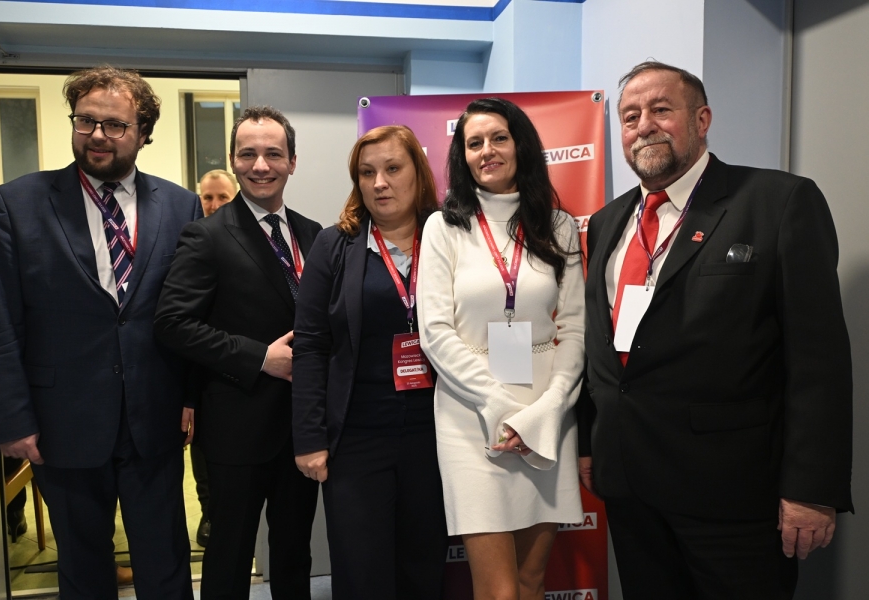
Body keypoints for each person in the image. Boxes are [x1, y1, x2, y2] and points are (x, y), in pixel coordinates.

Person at [577, 60, 853, 599]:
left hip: (733, 497)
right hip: (631, 488)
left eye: (661, 109)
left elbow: (818, 360)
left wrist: (811, 489)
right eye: (630, 117)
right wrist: (591, 440)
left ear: (701, 120)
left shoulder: (777, 202)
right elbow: (600, 350)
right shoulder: (608, 222)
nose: (643, 126)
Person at [0, 65, 201, 600]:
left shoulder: (180, 206)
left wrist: (192, 395)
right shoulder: (16, 203)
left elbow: (190, 314)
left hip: (154, 418)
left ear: (143, 133)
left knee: (165, 561)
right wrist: (12, 421)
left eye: (115, 125)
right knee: (81, 567)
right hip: (62, 423)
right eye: (86, 121)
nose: (98, 134)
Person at [417, 98, 586, 600]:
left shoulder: (559, 226)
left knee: (532, 582)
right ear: (462, 156)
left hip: (546, 414)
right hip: (472, 417)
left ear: (520, 145)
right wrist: (499, 406)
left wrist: (547, 411)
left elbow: (575, 329)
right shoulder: (444, 227)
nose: (487, 151)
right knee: (498, 591)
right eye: (474, 143)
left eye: (498, 138)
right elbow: (435, 331)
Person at [154, 105, 322, 600]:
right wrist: (259, 357)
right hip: (236, 431)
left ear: (293, 161)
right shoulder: (206, 235)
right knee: (229, 558)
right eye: (248, 154)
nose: (260, 165)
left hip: (302, 428)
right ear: (233, 160)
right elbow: (172, 323)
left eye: (273, 154)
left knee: (294, 554)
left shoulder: (314, 234)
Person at [292, 125, 448, 599]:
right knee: (362, 574)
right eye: (366, 172)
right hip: (357, 440)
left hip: (436, 436)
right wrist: (310, 438)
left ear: (418, 174)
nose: (379, 182)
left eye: (392, 168)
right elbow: (311, 345)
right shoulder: (333, 246)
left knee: (424, 569)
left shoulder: (450, 240)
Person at [188, 168, 237, 548]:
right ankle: (209, 511)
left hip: (241, 368)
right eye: (208, 197)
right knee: (201, 449)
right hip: (199, 369)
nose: (214, 204)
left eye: (222, 197)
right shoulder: (193, 241)